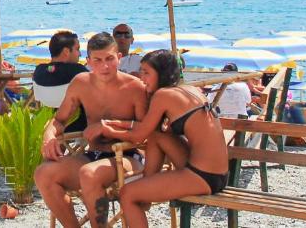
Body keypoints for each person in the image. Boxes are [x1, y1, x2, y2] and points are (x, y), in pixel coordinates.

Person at [102, 49, 230, 228]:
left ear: (161, 74)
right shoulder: (189, 89)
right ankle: (146, 189)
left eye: (147, 72)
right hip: (219, 173)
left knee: (127, 194)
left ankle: (140, 195)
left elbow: (139, 136)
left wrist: (107, 130)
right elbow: (150, 130)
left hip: (203, 176)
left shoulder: (163, 95)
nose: (141, 77)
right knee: (157, 135)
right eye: (141, 71)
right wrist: (119, 125)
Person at [34, 32, 148, 228]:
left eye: (110, 59)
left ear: (119, 58)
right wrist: (49, 135)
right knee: (43, 174)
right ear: (88, 61)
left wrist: (109, 128)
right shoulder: (80, 83)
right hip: (93, 155)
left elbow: (146, 131)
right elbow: (59, 120)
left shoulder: (135, 87)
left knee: (89, 174)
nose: (105, 66)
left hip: (129, 157)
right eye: (98, 60)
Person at [32, 30, 89, 132]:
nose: (79, 54)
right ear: (66, 51)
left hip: (48, 127)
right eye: (77, 49)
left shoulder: (39, 70)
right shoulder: (78, 71)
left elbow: (52, 69)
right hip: (77, 128)